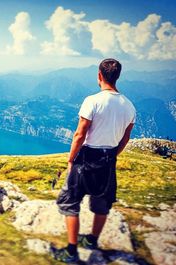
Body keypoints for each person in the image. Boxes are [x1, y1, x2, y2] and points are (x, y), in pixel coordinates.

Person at [52, 58, 136, 263]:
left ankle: (71, 252)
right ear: (117, 76)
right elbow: (126, 138)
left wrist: (71, 160)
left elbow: (80, 134)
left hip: (86, 158)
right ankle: (91, 241)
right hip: (108, 160)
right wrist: (112, 156)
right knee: (102, 202)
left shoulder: (92, 100)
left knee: (70, 201)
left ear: (99, 75)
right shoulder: (129, 106)